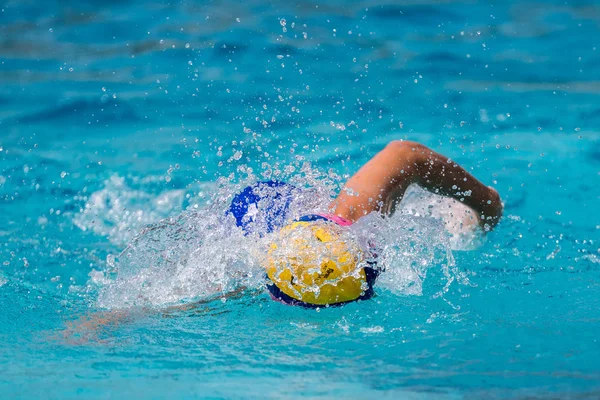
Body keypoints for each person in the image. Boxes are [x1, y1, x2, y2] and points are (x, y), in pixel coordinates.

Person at [228, 140, 502, 308]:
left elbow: (407, 155)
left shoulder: (231, 279)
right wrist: (488, 204)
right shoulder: (353, 218)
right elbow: (405, 153)